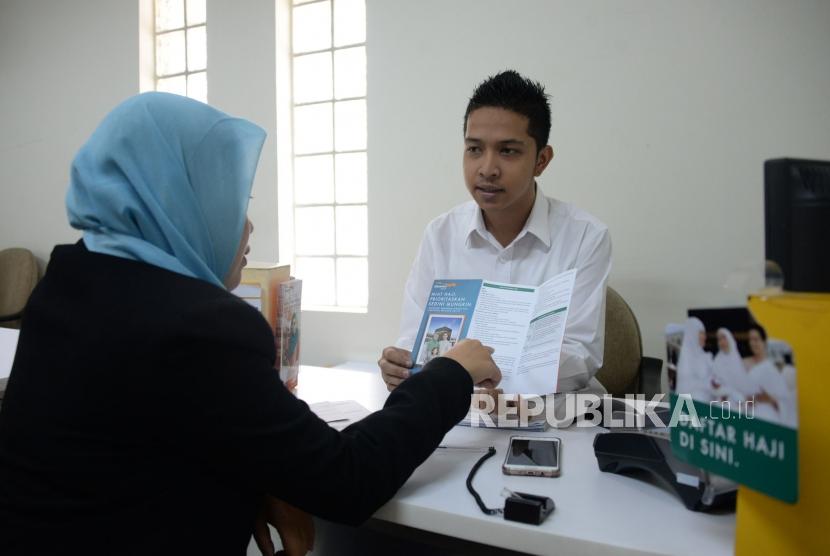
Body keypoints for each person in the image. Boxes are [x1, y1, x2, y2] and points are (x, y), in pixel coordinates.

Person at [0, 93, 501, 556]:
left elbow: (135, 442)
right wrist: (453, 372)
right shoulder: (201, 329)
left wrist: (250, 477)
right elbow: (347, 480)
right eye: (235, 200)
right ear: (182, 204)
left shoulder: (67, 286)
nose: (247, 226)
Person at [379, 70, 611, 395]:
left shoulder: (585, 237)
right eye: (474, 149)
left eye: (508, 151)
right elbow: (415, 339)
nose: (487, 168)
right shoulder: (440, 235)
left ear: (541, 160)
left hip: (552, 415)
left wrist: (470, 372)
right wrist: (402, 364)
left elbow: (578, 356)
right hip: (458, 415)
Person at [674, 317, 713, 402]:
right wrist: (707, 383)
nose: (704, 337)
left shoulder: (704, 355)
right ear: (692, 333)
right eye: (701, 333)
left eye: (704, 334)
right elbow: (684, 385)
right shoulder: (685, 355)